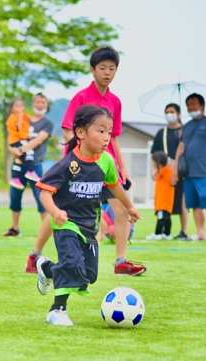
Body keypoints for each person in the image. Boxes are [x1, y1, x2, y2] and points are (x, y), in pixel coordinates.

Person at [25, 47, 146, 276]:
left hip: (104, 167)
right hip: (77, 168)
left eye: (112, 68)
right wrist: (82, 156)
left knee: (121, 211)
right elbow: (68, 133)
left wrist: (123, 168)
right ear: (92, 70)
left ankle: (121, 261)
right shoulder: (81, 97)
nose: (107, 72)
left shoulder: (115, 102)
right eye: (102, 68)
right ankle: (34, 256)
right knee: (59, 212)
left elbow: (115, 137)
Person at [34, 105, 141, 326]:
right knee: (71, 264)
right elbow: (45, 193)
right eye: (100, 131)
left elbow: (115, 185)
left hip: (89, 227)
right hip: (67, 225)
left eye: (109, 132)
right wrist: (55, 212)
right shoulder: (67, 164)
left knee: (89, 275)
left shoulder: (106, 161)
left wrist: (129, 206)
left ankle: (46, 268)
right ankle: (57, 310)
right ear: (81, 133)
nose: (106, 138)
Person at [172, 93, 206, 240]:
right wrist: (175, 170)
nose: (191, 107)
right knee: (194, 204)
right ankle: (200, 233)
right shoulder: (187, 126)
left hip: (205, 170)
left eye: (194, 104)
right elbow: (180, 149)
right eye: (189, 105)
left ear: (201, 105)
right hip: (188, 172)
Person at [2, 93, 54, 238]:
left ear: (47, 105)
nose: (40, 105)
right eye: (37, 102)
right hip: (19, 163)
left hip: (35, 165)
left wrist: (19, 150)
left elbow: (38, 140)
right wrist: (11, 148)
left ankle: (46, 229)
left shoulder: (47, 123)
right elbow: (13, 134)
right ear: (32, 104)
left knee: (41, 197)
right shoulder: (24, 119)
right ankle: (14, 227)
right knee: (15, 195)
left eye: (43, 102)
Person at [151, 103, 188, 239]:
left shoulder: (185, 131)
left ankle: (183, 231)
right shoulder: (162, 133)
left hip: (181, 171)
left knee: (182, 201)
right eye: (167, 112)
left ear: (178, 114)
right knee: (163, 200)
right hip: (165, 173)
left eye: (172, 111)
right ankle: (162, 231)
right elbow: (154, 154)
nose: (169, 114)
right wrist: (154, 170)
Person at [6, 98, 38, 190]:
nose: (19, 108)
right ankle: (30, 171)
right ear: (12, 109)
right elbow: (18, 129)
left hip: (22, 139)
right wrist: (19, 117)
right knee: (29, 151)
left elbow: (31, 124)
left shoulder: (26, 116)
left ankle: (15, 178)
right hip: (16, 139)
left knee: (19, 159)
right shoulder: (12, 118)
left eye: (21, 106)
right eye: (17, 106)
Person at [145, 152, 174, 240]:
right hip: (162, 199)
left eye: (153, 161)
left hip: (164, 199)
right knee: (166, 217)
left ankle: (158, 233)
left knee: (162, 217)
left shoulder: (166, 171)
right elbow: (154, 177)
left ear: (158, 162)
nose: (152, 164)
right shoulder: (161, 172)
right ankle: (166, 233)